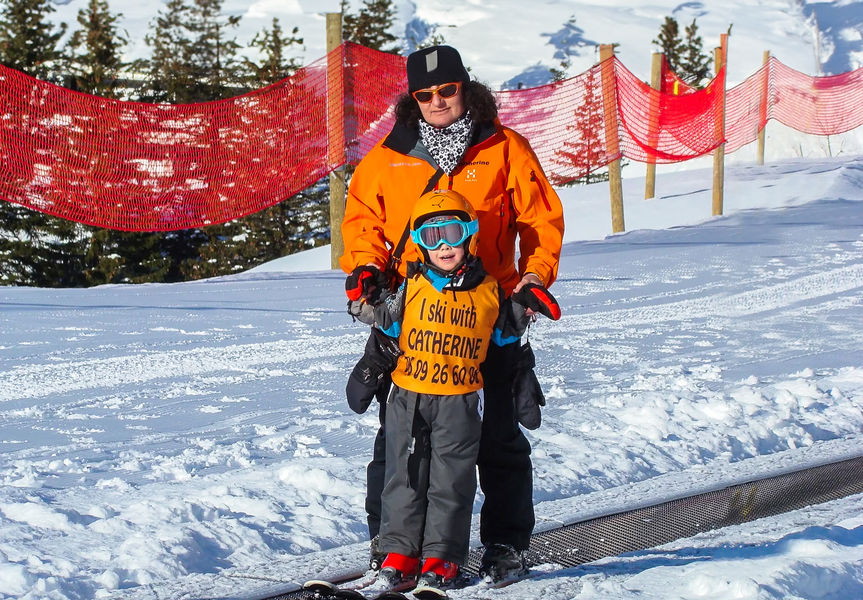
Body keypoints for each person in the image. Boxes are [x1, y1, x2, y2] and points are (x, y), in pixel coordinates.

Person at [340, 44, 564, 581]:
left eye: (447, 89)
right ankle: (388, 545)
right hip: (411, 320)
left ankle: (506, 544)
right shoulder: (385, 157)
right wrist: (367, 274)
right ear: (412, 100)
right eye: (425, 94)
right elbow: (362, 227)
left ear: (466, 87)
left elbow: (540, 223)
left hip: (490, 317)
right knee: (401, 439)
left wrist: (533, 280)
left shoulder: (506, 149)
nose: (437, 101)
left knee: (498, 435)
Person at [350, 190, 560, 591]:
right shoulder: (410, 287)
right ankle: (398, 553)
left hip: (461, 404)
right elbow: (381, 320)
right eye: (432, 237)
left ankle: (442, 559)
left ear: (470, 234)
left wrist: (525, 307)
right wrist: (363, 293)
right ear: (419, 242)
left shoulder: (488, 292)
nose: (444, 245)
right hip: (408, 400)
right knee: (404, 477)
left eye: (452, 232)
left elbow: (503, 334)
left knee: (452, 482)